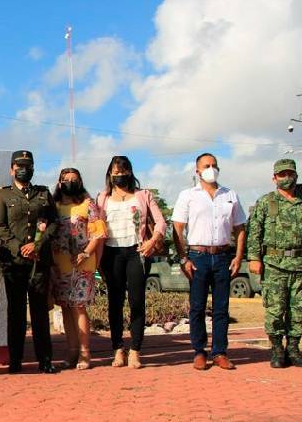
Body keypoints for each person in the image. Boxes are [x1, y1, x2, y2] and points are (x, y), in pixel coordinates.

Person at [172, 153, 246, 371]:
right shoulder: (188, 195)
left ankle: (220, 352)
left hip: (223, 256)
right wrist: (183, 258)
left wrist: (238, 256)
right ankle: (199, 351)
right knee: (197, 307)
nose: (211, 169)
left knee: (222, 308)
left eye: (214, 165)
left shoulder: (230, 194)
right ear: (197, 171)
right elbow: (177, 228)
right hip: (197, 257)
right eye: (206, 166)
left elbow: (240, 228)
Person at [97, 156, 166, 369]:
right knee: (115, 303)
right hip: (111, 253)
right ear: (110, 174)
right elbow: (95, 225)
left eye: (123, 172)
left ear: (130, 173)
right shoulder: (102, 198)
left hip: (137, 252)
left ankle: (135, 349)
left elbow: (161, 222)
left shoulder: (143, 195)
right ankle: (118, 348)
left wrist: (152, 241)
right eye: (116, 173)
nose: (120, 176)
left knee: (136, 301)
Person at [0, 150, 58, 374]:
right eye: (19, 165)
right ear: (11, 169)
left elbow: (53, 223)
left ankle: (45, 360)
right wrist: (19, 248)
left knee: (40, 311)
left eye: (28, 165)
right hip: (14, 262)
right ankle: (16, 361)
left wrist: (37, 245)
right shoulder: (3, 195)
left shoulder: (43, 193)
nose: (24, 169)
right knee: (16, 312)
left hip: (39, 261)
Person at [246, 158, 302, 368]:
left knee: (299, 310)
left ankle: (294, 348)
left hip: (300, 264)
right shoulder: (266, 202)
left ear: (296, 175)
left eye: (290, 173)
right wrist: (254, 258)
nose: (286, 178)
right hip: (274, 265)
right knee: (275, 310)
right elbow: (254, 232)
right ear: (274, 178)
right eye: (282, 175)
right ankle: (278, 349)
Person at [51, 168, 106, 370]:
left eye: (75, 180)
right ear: (59, 183)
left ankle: (85, 353)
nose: (70, 183)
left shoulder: (87, 204)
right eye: (66, 180)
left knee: (78, 307)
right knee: (65, 307)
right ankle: (71, 350)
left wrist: (86, 253)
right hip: (60, 264)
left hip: (82, 263)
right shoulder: (54, 206)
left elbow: (98, 233)